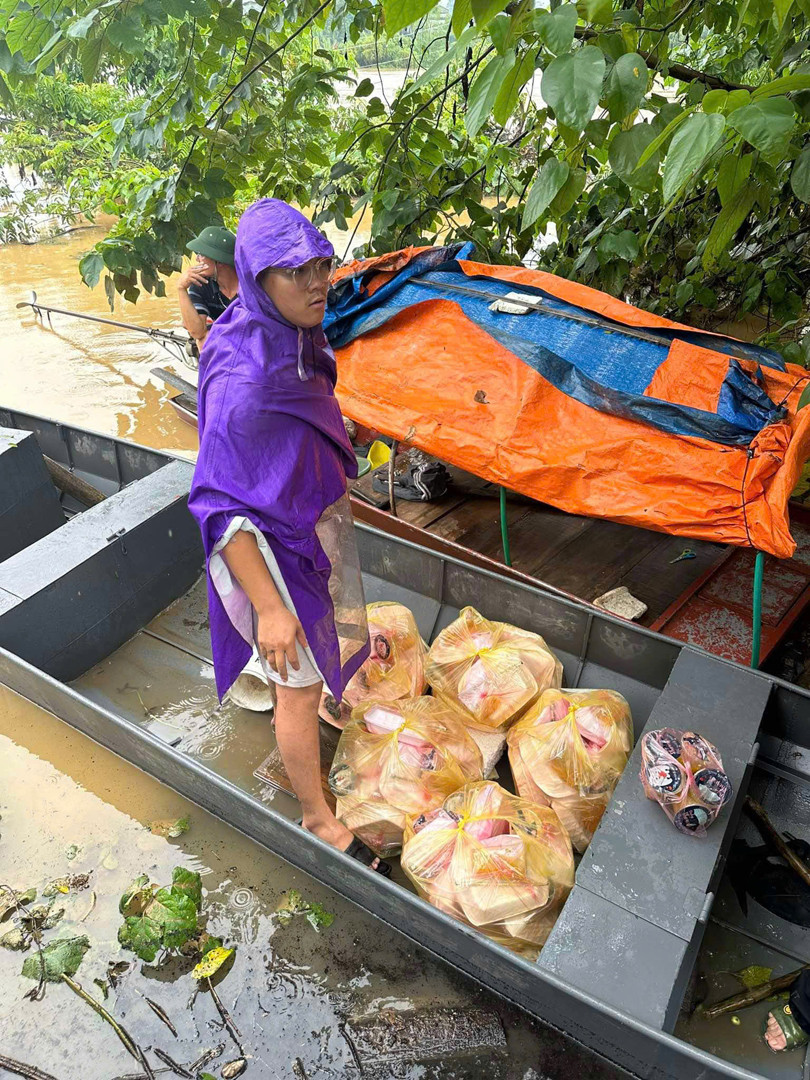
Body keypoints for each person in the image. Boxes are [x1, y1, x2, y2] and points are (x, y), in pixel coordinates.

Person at [188, 198, 390, 875]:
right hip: (269, 548)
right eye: (293, 271)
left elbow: (304, 400)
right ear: (253, 277)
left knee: (320, 647)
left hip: (305, 515)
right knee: (296, 688)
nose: (317, 283)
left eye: (322, 264)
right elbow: (216, 502)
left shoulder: (277, 328)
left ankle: (311, 679)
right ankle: (319, 819)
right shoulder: (245, 381)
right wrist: (271, 609)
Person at [177, 225, 238, 350]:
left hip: (252, 340)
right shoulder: (200, 283)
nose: (197, 259)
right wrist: (181, 288)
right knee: (204, 340)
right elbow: (197, 332)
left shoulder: (249, 284)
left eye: (201, 254)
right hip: (227, 343)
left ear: (219, 261)